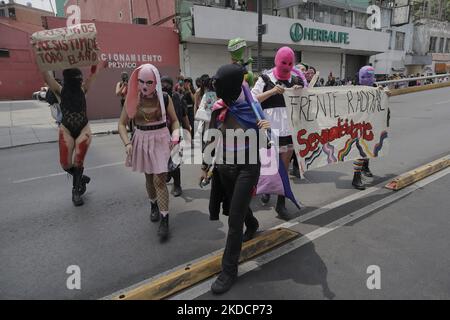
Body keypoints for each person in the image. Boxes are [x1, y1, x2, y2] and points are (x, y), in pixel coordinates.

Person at [201, 63, 270, 294]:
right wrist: (204, 166)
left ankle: (229, 270)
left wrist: (264, 131)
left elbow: (266, 139)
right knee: (234, 207)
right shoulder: (220, 106)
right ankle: (252, 223)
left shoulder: (254, 108)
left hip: (248, 168)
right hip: (224, 167)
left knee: (233, 220)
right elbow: (210, 138)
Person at [118, 64, 180, 239]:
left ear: (156, 82)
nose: (144, 86)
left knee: (159, 179)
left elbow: (174, 121)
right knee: (149, 179)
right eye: (141, 82)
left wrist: (175, 136)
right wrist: (127, 143)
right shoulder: (133, 98)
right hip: (141, 140)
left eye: (149, 82)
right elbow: (121, 124)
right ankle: (153, 204)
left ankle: (165, 218)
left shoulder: (165, 98)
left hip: (161, 139)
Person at [251, 46, 304, 220]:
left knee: (284, 169)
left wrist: (300, 92)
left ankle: (281, 205)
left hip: (288, 131)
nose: (287, 66)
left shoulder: (296, 79)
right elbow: (253, 100)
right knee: (267, 166)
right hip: (268, 131)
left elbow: (307, 104)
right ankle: (266, 190)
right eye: (284, 62)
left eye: (290, 63)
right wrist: (273, 91)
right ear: (276, 61)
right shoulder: (265, 78)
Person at [41, 64, 104, 206]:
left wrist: (98, 64)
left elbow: (93, 75)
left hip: (83, 129)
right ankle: (80, 178)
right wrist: (40, 60)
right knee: (65, 164)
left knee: (78, 161)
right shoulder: (59, 90)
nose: (78, 82)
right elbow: (46, 76)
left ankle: (76, 191)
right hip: (66, 129)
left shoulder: (83, 89)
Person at [161, 76, 191, 197]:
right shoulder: (157, 99)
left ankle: (177, 185)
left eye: (167, 84)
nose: (164, 86)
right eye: (162, 84)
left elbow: (184, 116)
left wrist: (188, 132)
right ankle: (168, 174)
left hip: (175, 133)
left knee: (175, 161)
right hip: (161, 135)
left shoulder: (178, 98)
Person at [352, 65, 376, 190]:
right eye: (364, 76)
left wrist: (385, 93)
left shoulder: (377, 89)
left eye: (369, 76)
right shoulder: (355, 90)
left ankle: (364, 168)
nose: (367, 79)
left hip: (372, 125)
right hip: (358, 125)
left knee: (368, 149)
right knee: (360, 151)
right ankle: (356, 177)